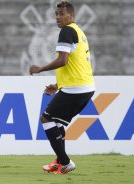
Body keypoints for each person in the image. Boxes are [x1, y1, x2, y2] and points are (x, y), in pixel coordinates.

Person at [29, 1, 95, 174]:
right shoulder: (79, 32)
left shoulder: (67, 31)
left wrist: (40, 69)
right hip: (83, 87)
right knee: (56, 122)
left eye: (61, 14)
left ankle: (65, 162)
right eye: (56, 14)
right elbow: (76, 64)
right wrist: (58, 85)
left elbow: (62, 61)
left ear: (70, 16)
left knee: (46, 118)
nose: (58, 17)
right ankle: (60, 161)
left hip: (76, 88)